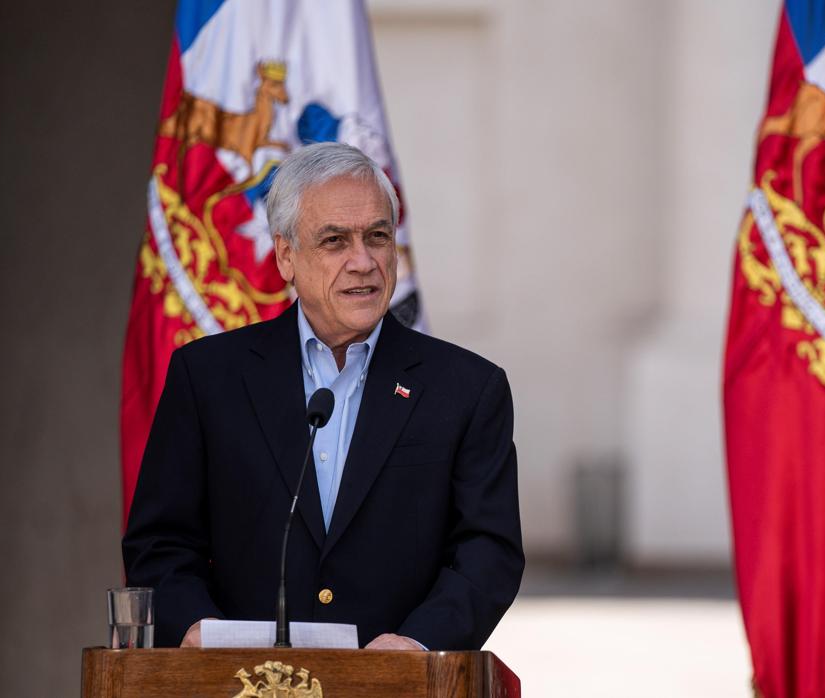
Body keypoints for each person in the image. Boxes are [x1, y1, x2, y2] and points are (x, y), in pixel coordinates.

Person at [122, 142, 524, 651]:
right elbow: (160, 542)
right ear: (286, 256)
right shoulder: (208, 377)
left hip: (397, 687)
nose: (364, 262)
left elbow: (487, 553)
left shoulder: (466, 389)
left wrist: (418, 644)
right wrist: (196, 629)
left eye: (377, 237)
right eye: (335, 241)